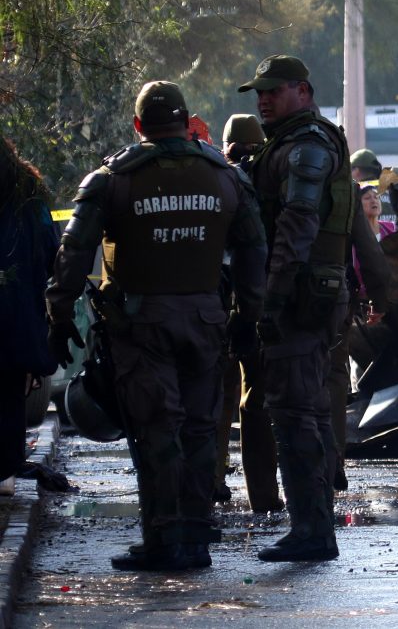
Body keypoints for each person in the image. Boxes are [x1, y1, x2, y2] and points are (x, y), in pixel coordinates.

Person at [45, 81, 267, 571]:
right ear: (188, 122)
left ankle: (165, 540)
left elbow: (74, 251)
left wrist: (59, 315)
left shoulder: (112, 179)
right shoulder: (226, 177)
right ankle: (195, 536)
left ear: (139, 125)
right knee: (200, 428)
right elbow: (255, 250)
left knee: (155, 430)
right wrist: (248, 317)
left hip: (140, 326)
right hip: (207, 322)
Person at [238, 54, 354, 561]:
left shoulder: (307, 146)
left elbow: (298, 224)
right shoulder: (290, 144)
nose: (263, 99)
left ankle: (312, 530)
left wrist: (273, 297)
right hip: (307, 293)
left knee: (295, 414)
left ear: (302, 92)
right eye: (259, 93)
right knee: (297, 412)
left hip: (302, 298)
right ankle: (311, 527)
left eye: (274, 90)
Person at [216, 114, 279, 510]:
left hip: (216, 302)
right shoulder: (276, 178)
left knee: (217, 394)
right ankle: (264, 496)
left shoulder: (217, 180)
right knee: (259, 398)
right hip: (265, 302)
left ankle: (210, 480)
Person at [0, 137, 60, 497]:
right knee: (8, 392)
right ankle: (5, 470)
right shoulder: (30, 195)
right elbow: (53, 250)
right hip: (17, 313)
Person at [326, 181, 391, 492]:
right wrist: (379, 299)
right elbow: (370, 254)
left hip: (277, 299)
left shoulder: (265, 172)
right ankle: (332, 461)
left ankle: (269, 484)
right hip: (332, 300)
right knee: (335, 379)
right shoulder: (344, 188)